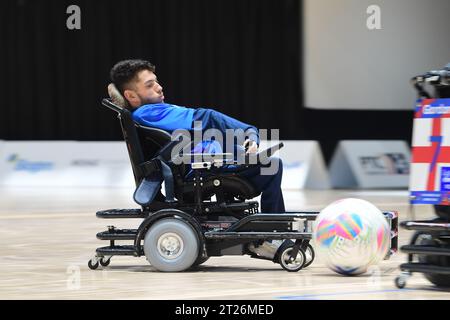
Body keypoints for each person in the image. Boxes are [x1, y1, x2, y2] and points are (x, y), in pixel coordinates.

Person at [109, 59, 285, 259]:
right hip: (200, 169)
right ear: (131, 95)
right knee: (271, 165)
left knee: (267, 163)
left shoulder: (152, 111)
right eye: (150, 85)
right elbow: (206, 117)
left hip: (205, 160)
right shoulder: (149, 112)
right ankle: (272, 235)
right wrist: (248, 132)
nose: (159, 87)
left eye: (156, 81)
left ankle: (270, 230)